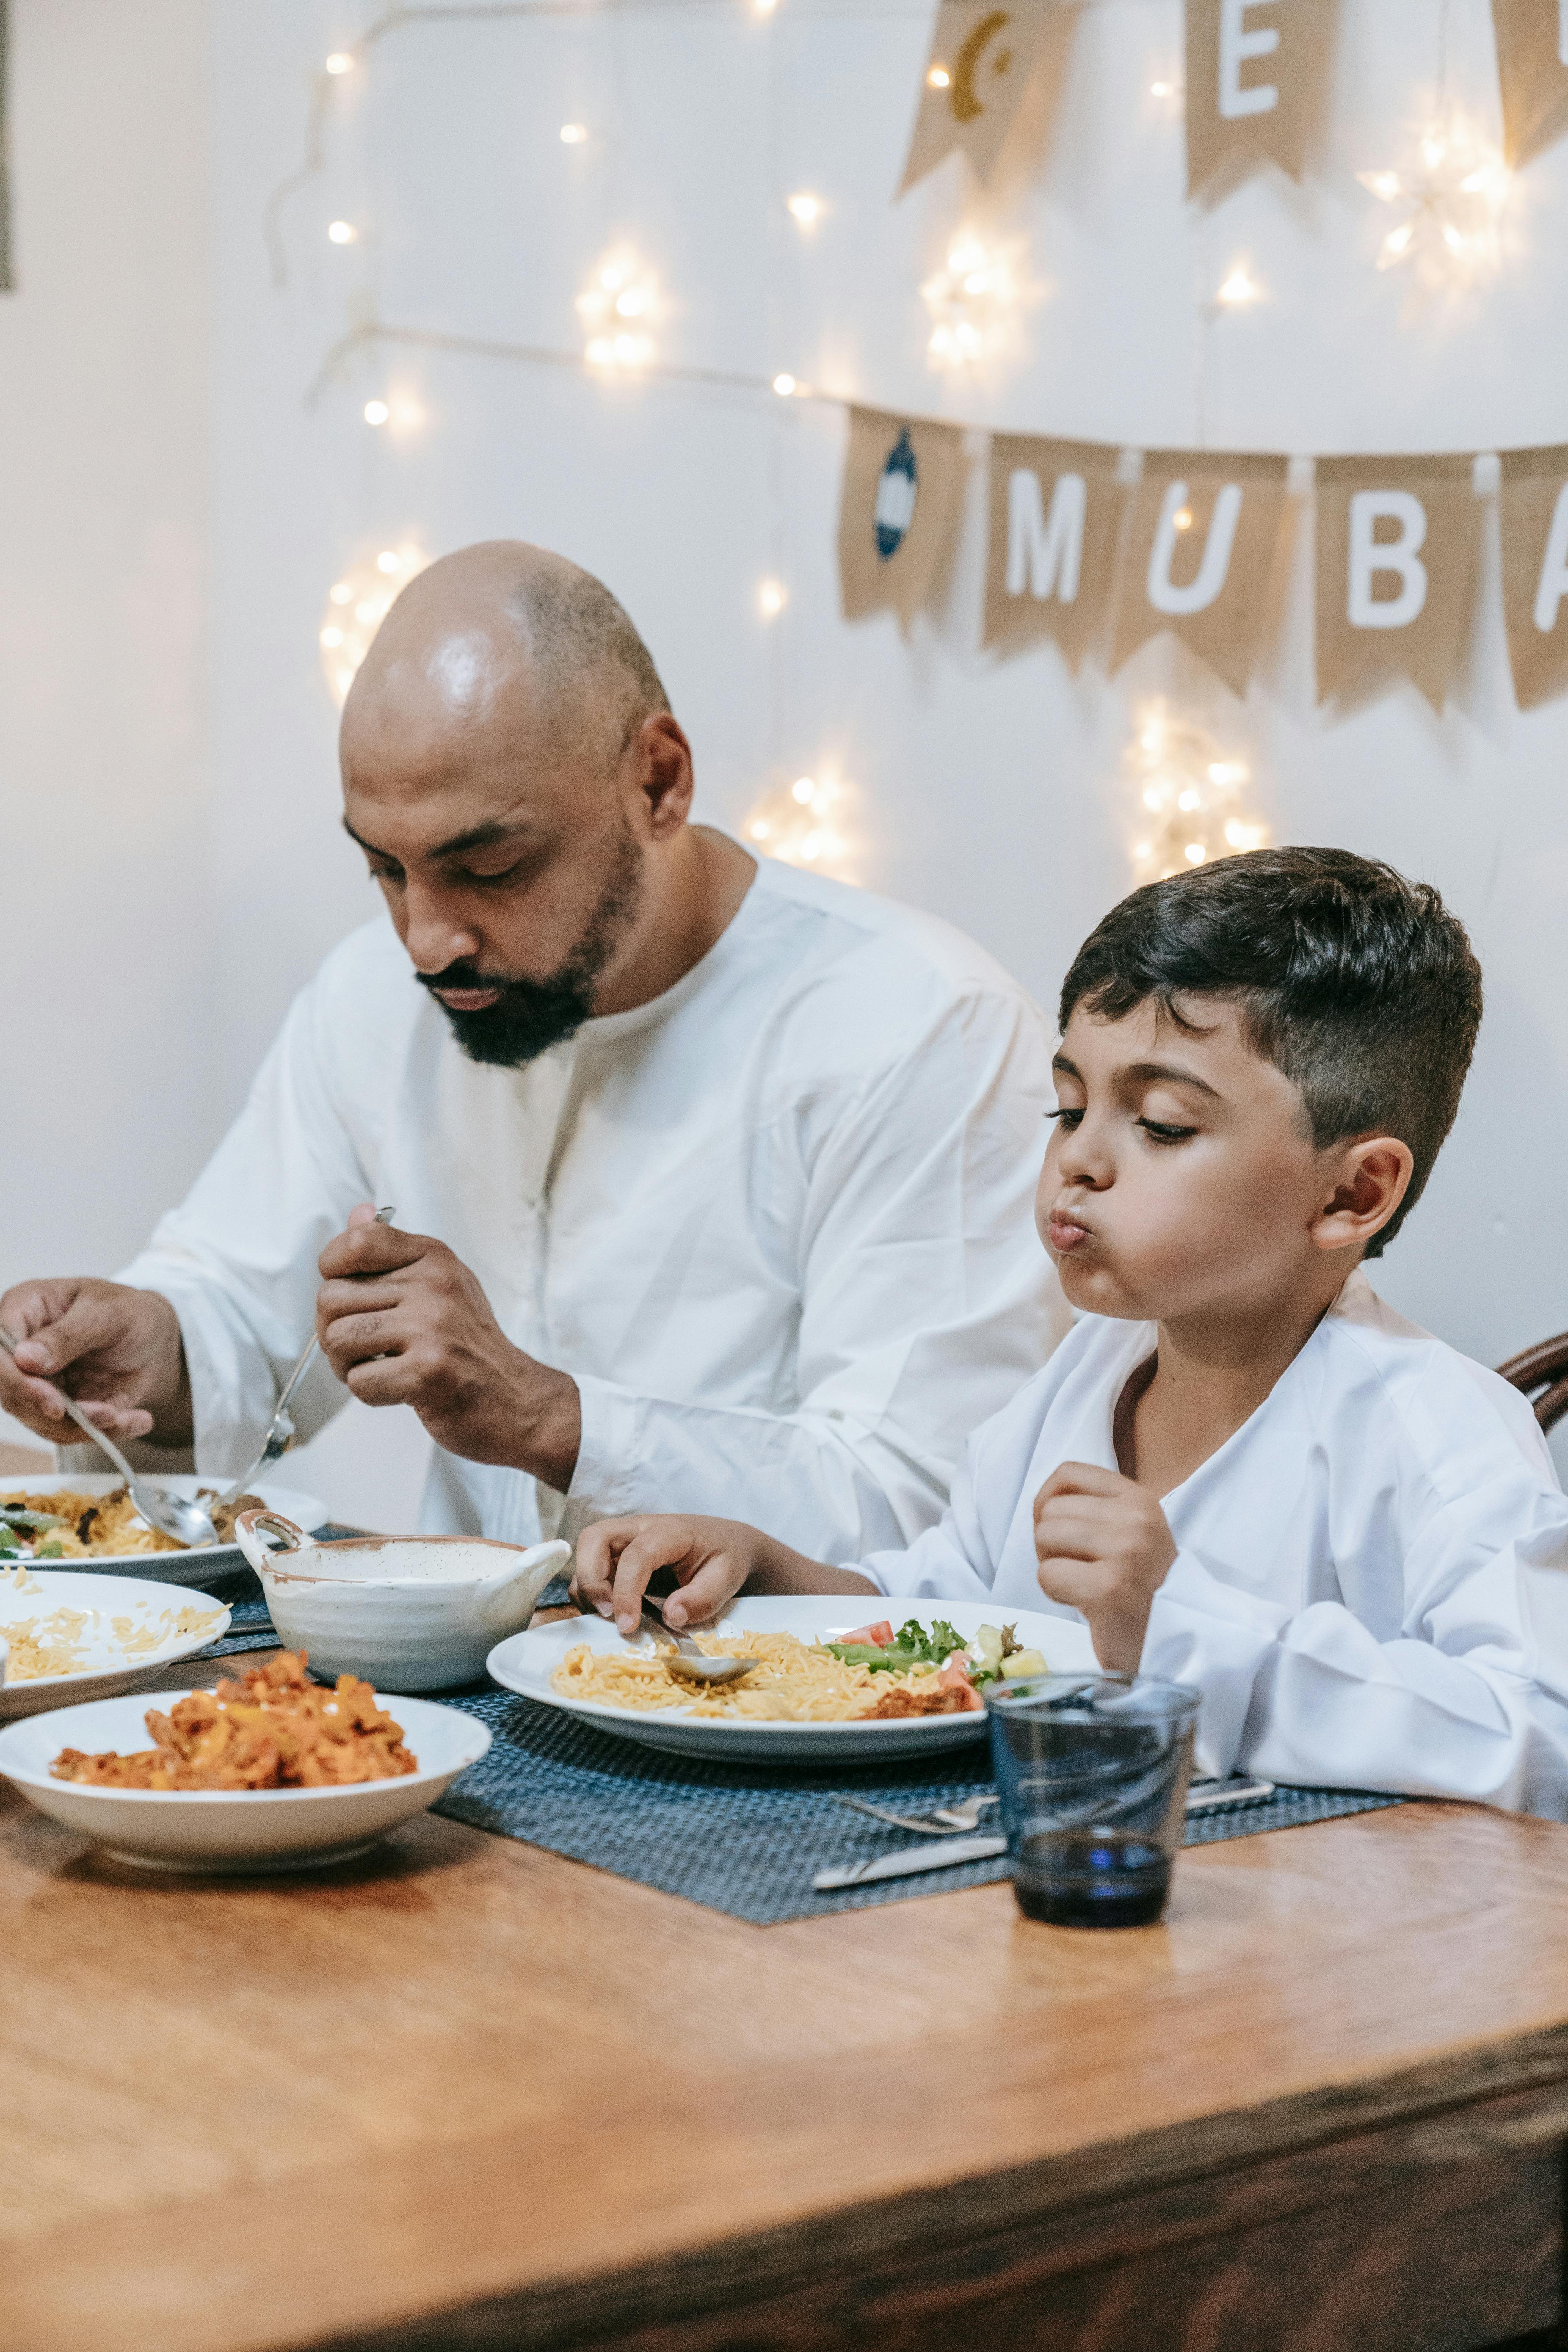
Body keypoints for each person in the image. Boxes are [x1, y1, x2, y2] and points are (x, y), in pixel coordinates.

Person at [0, 543, 1066, 1560]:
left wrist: (548, 1416)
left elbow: (929, 1512)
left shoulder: (924, 1030)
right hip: (448, 1709)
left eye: (492, 865)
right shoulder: (376, 999)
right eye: (385, 868)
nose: (427, 937)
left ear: (658, 781)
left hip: (785, 1736)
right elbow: (244, 1313)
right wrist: (154, 1349)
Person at [574, 847, 1568, 1816]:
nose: (1078, 1161)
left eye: (1163, 1125)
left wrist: (1176, 1621)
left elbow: (1544, 1738)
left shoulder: (1433, 1434)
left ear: (1353, 1192)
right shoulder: (1091, 1365)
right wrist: (769, 1567)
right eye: (1066, 1107)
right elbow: (954, 1613)